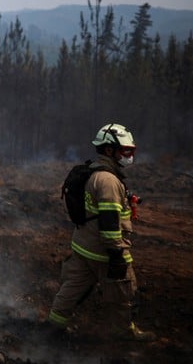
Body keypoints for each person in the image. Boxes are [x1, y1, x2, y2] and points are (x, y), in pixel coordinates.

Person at [47, 123, 156, 341]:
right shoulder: (108, 180)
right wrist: (116, 254)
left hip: (83, 245)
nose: (129, 156)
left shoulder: (94, 171)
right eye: (125, 151)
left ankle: (53, 328)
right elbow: (108, 221)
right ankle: (124, 338)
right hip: (104, 252)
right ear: (109, 150)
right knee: (121, 294)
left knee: (71, 289)